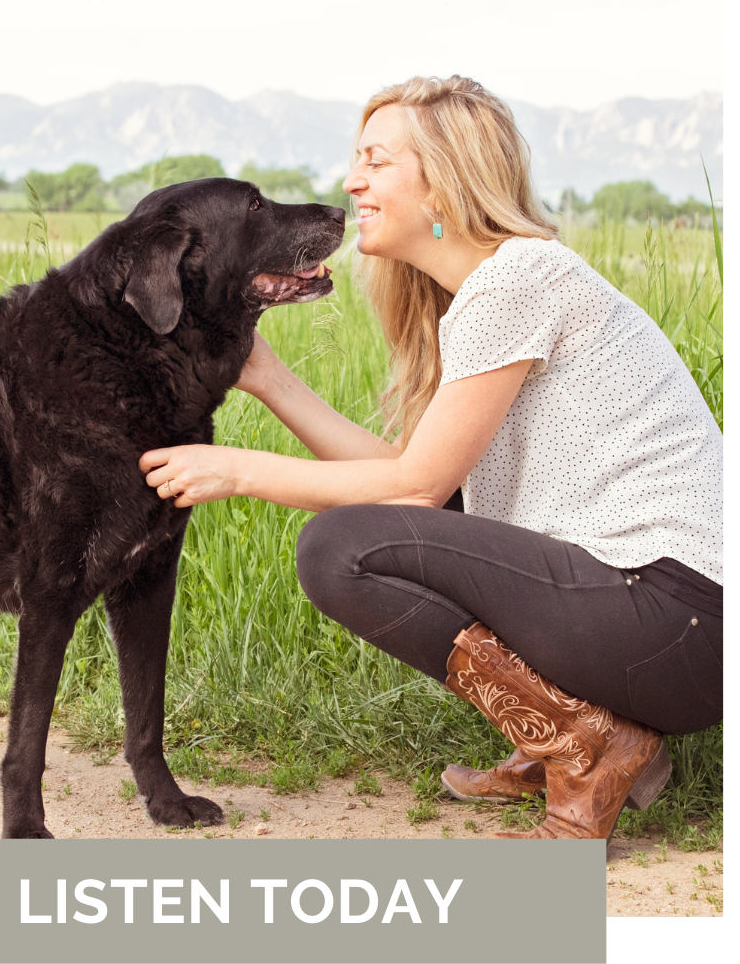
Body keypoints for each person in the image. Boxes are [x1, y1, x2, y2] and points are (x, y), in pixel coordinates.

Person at [138, 75, 723, 840]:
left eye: (376, 162)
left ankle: (584, 743)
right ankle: (569, 735)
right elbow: (417, 478)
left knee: (338, 546)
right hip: (662, 619)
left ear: (444, 182)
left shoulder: (519, 278)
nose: (352, 182)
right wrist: (268, 376)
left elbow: (411, 491)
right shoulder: (489, 289)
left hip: (677, 616)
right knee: (378, 524)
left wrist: (235, 470)